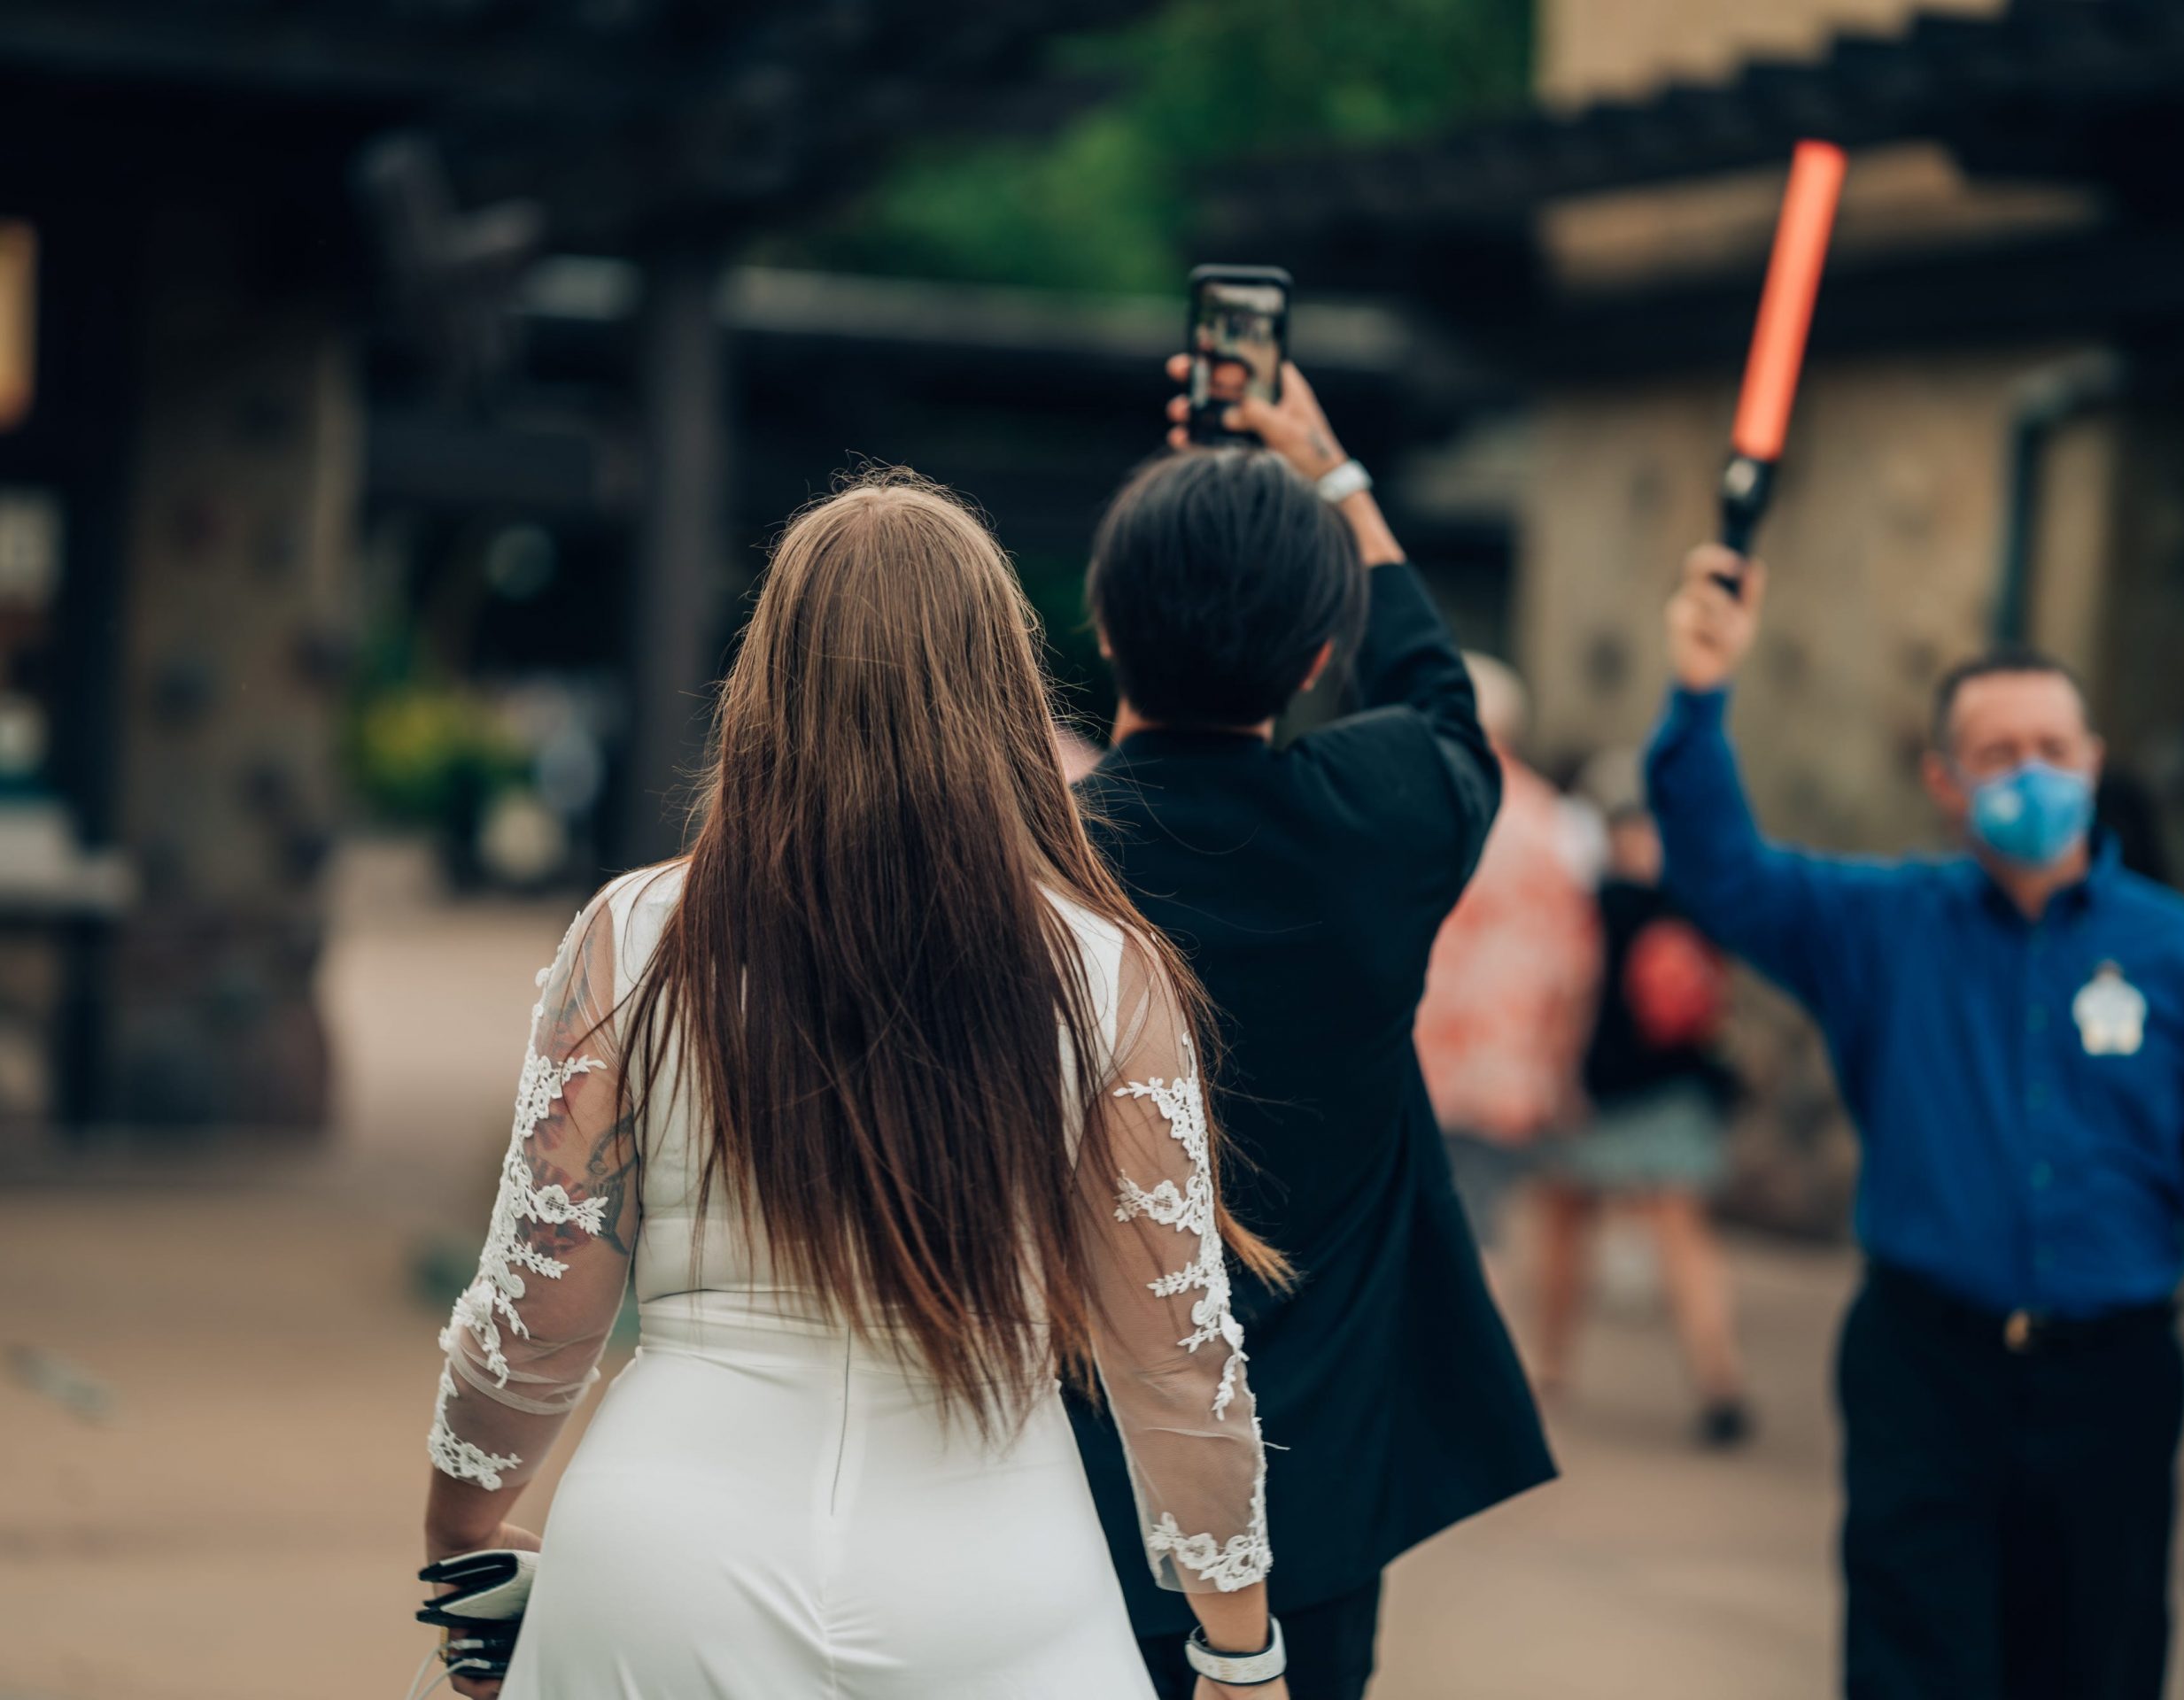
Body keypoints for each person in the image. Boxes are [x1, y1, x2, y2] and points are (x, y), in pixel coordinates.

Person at [416, 473, 1288, 1700]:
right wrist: (1240, 1648)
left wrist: (461, 1542)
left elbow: (538, 1297)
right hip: (989, 1577)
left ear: (765, 678)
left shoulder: (631, 935)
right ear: (1004, 688)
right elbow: (1175, 1356)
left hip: (666, 1551)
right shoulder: (1109, 973)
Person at [1649, 543, 2184, 1700]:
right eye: (1996, 754)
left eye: (2051, 750)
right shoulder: (1879, 925)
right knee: (1912, 1663)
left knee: (2098, 1662)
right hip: (1925, 1366)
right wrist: (1698, 693)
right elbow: (1720, 870)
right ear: (1946, 781)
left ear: (2093, 761)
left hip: (2115, 1379)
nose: (2028, 773)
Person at [1066, 358, 1555, 1700]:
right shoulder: (1382, 817)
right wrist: (1334, 476)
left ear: (1106, 627)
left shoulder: (1042, 866)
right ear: (1319, 657)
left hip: (1058, 1477)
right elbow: (1446, 701)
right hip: (1312, 1488)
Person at [1525, 752, 1752, 1447]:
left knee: (1567, 1227)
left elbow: (1567, 996)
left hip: (1597, 1088)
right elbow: (1718, 1004)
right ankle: (1719, 1378)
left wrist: (1556, 1079)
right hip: (1674, 1090)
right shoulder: (1701, 901)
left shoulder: (1589, 902)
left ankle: (1550, 1368)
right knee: (1682, 1236)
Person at [1413, 654, 1601, 1285]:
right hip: (1509, 1067)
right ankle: (1479, 1368)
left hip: (1415, 1059)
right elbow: (1578, 964)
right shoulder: (1558, 825)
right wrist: (1562, 1063)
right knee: (1484, 1220)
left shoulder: (1415, 806)